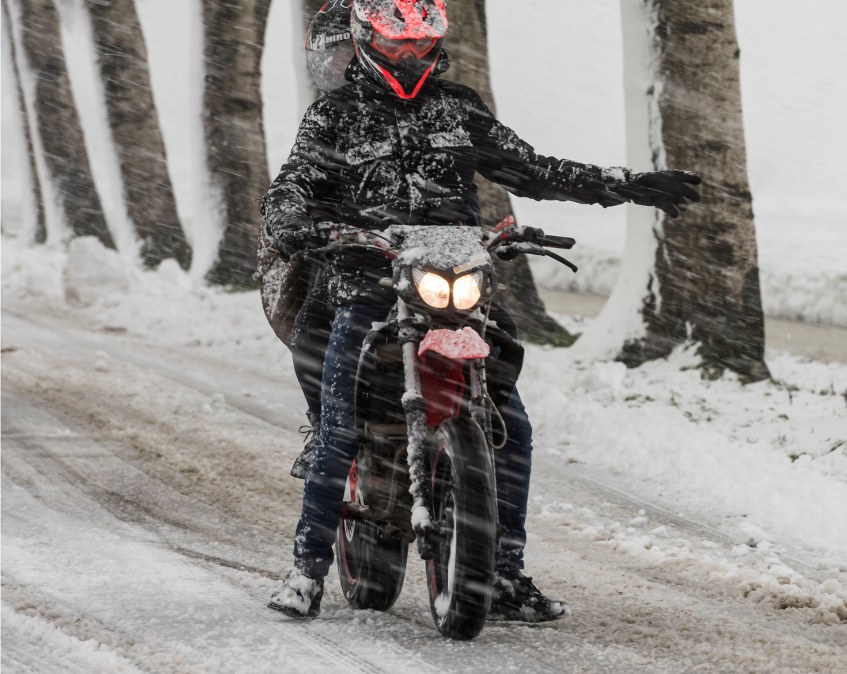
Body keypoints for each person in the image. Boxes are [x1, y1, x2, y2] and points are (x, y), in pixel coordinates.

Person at [260, 0, 700, 621]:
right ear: (365, 42)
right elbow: (293, 184)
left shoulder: (459, 108)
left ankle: (503, 574)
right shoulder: (333, 117)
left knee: (511, 426)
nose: (410, 57)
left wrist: (621, 185)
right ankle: (305, 572)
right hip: (366, 285)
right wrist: (293, 222)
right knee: (340, 428)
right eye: (395, 45)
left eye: (421, 44)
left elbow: (532, 168)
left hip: (457, 285)